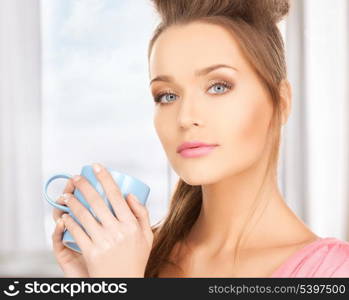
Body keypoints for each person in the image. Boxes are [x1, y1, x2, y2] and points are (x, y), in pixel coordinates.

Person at [51, 0, 349, 278]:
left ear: (281, 102)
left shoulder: (331, 271)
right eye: (167, 95)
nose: (185, 117)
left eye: (218, 87)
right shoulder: (133, 257)